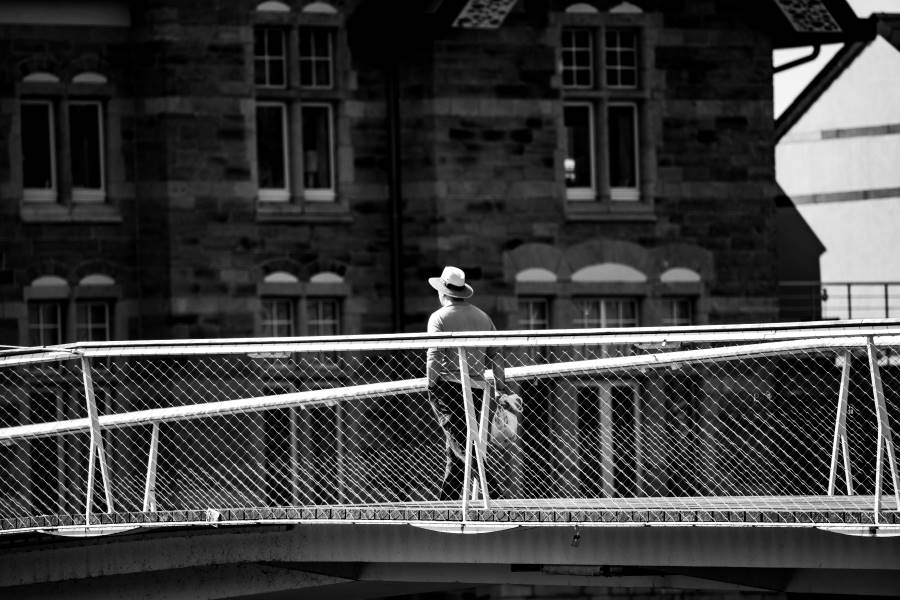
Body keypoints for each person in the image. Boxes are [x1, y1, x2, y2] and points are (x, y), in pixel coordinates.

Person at [426, 266, 507, 501]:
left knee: (460, 443)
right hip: (477, 389)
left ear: (442, 292)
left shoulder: (439, 318)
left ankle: (493, 492)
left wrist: (430, 385)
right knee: (457, 446)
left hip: (448, 387)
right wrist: (500, 387)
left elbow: (435, 356)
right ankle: (448, 503)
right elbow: (496, 354)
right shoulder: (483, 317)